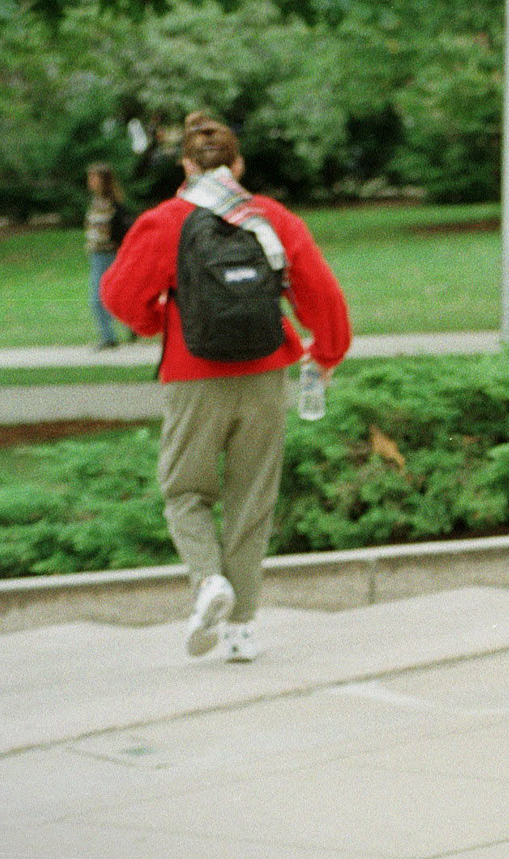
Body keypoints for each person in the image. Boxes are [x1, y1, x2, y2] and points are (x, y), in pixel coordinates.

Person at [101, 112, 350, 663]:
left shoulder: (164, 222)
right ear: (238, 164)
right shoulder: (273, 219)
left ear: (186, 166)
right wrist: (326, 353)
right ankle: (241, 630)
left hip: (194, 377)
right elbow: (322, 295)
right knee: (251, 499)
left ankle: (208, 580)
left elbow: (117, 295)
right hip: (266, 373)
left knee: (185, 491)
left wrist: (154, 323)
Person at [83, 163, 133, 351]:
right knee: (112, 294)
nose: (90, 182)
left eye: (94, 178)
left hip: (107, 254)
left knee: (98, 297)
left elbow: (119, 230)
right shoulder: (96, 202)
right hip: (96, 254)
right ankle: (126, 327)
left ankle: (108, 337)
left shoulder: (113, 205)